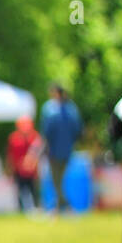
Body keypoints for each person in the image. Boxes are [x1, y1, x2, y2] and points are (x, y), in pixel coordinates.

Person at [39, 84, 83, 213]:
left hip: (55, 150)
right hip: (66, 150)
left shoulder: (50, 109)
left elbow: (46, 131)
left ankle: (64, 205)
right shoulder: (72, 110)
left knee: (56, 180)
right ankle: (60, 207)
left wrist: (45, 147)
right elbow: (78, 131)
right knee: (58, 180)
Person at [6, 116, 41, 212]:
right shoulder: (14, 138)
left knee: (34, 190)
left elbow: (38, 153)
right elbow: (10, 155)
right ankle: (21, 210)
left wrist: (33, 164)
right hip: (18, 170)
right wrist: (10, 168)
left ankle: (36, 209)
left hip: (32, 170)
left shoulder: (35, 137)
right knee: (20, 191)